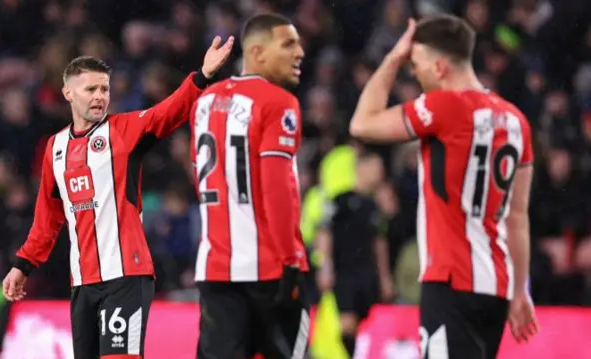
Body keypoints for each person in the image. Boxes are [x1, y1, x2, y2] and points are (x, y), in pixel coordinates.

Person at [1, 36, 234, 359]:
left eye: (105, 89)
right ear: (68, 93)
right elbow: (48, 217)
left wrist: (202, 76)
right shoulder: (54, 149)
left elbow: (169, 112)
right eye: (90, 89)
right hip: (82, 282)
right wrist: (23, 265)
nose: (100, 96)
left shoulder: (124, 131)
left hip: (126, 276)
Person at [349, 15, 539, 359]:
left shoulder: (444, 106)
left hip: (451, 281)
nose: (413, 73)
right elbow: (518, 217)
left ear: (439, 67)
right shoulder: (516, 121)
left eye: (416, 65)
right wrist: (520, 290)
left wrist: (392, 58)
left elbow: (362, 124)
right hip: (496, 286)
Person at [189, 13, 309, 359]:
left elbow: (201, 175)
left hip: (215, 268)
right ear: (256, 52)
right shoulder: (278, 102)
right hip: (269, 268)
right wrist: (289, 260)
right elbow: (276, 187)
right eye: (288, 44)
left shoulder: (204, 103)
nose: (299, 52)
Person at [315, 152, 395, 357]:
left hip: (368, 272)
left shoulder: (373, 205)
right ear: (362, 168)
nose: (379, 174)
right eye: (375, 169)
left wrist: (384, 277)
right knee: (347, 324)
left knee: (365, 324)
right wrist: (325, 267)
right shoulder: (340, 201)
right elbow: (324, 234)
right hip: (345, 272)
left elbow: (379, 242)